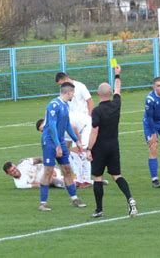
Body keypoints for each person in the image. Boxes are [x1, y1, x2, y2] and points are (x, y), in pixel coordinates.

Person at [85, 64, 138, 218]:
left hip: (100, 148)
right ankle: (130, 198)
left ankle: (99, 209)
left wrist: (89, 149)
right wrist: (117, 75)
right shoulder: (116, 104)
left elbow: (94, 131)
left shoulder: (97, 111)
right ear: (110, 94)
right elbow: (118, 90)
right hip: (114, 146)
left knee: (98, 177)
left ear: (98, 94)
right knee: (117, 175)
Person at [38, 82, 87, 211]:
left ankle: (74, 198)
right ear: (68, 92)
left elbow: (67, 125)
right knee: (48, 171)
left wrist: (76, 140)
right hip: (49, 142)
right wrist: (58, 146)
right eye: (73, 93)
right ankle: (43, 203)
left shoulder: (65, 105)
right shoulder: (53, 105)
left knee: (66, 169)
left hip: (59, 141)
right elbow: (52, 127)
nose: (74, 95)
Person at [37, 113, 94, 188]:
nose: (44, 131)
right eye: (42, 131)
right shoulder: (53, 129)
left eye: (43, 128)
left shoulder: (55, 122)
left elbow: (73, 127)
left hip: (86, 126)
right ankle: (78, 179)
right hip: (79, 129)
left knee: (81, 153)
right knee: (71, 154)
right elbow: (66, 144)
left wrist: (79, 143)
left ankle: (86, 181)